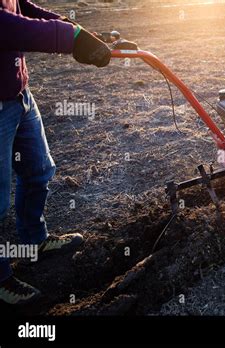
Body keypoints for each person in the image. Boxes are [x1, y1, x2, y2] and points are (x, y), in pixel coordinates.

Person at [0, 0, 111, 305]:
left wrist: (81, 32)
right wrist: (71, 36)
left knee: (38, 170)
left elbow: (21, 7)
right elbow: (8, 26)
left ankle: (34, 241)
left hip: (19, 96)